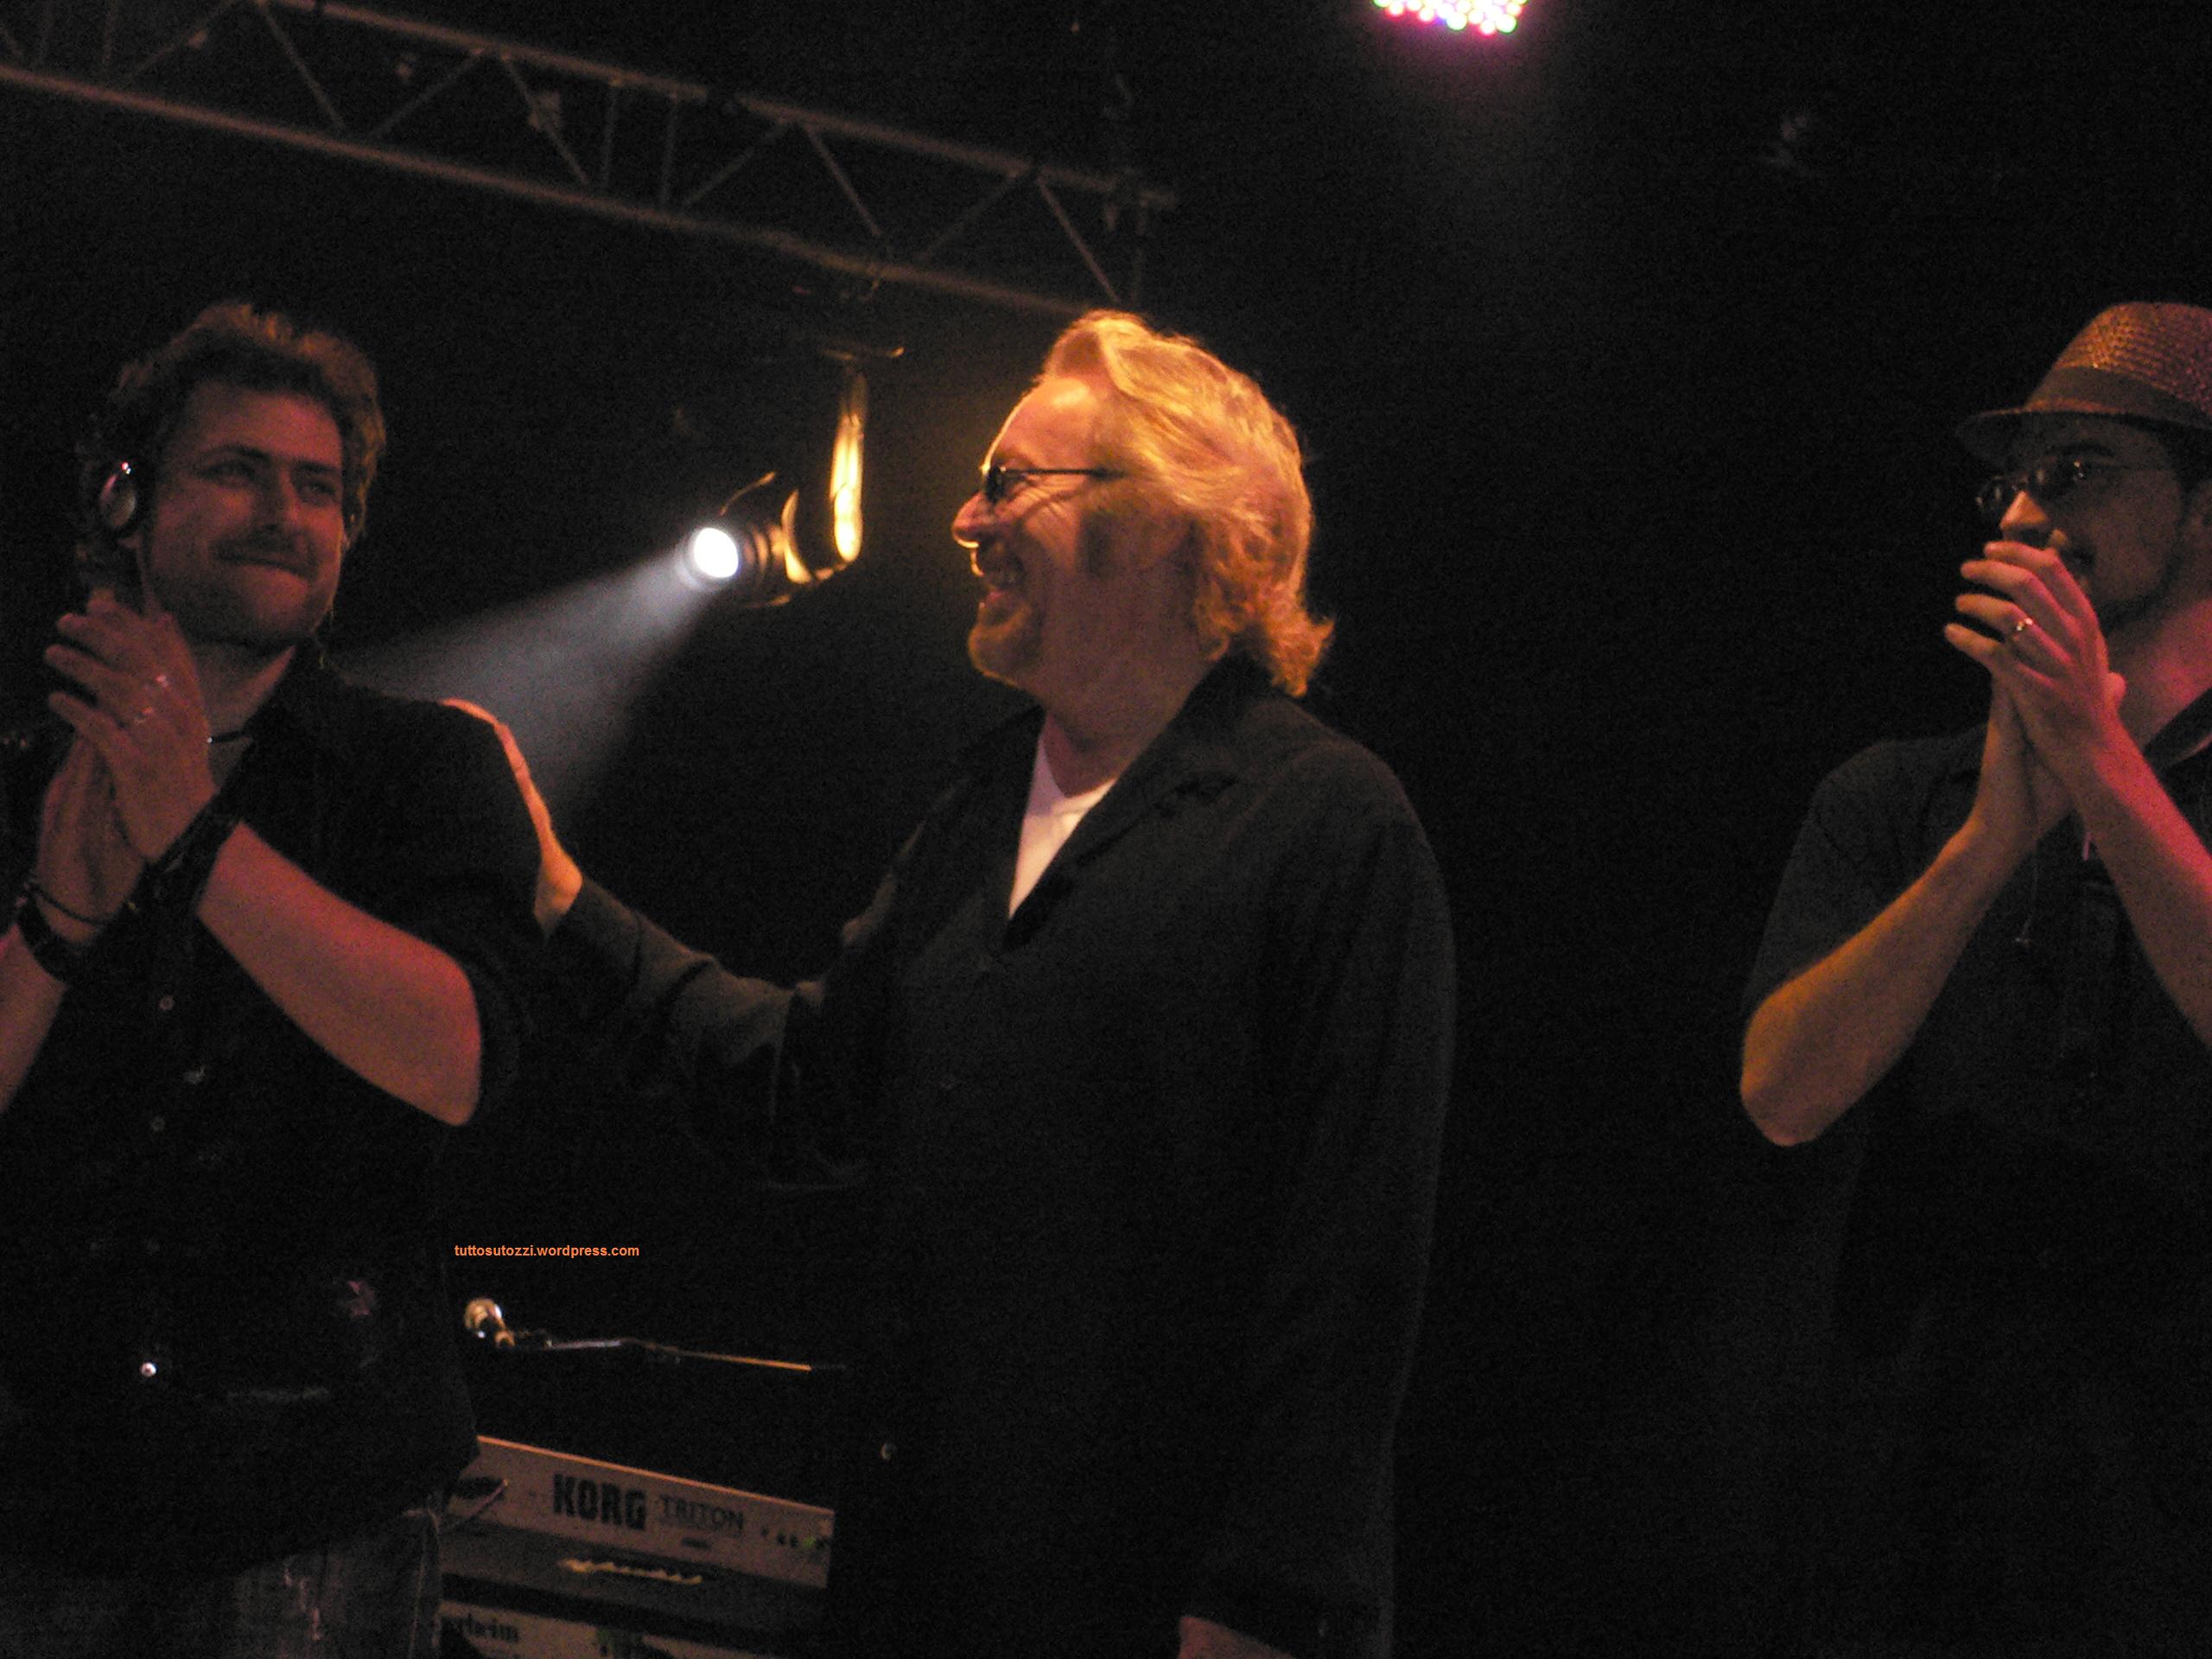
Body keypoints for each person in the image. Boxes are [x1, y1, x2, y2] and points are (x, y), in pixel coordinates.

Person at [508, 310, 1455, 1658]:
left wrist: (1262, 1607)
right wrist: (555, 900)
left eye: (1011, 482)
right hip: (926, 1590)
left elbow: (1349, 1269)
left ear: (1164, 519)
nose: (967, 519)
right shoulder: (981, 808)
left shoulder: (1325, 825)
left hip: (1154, 1611)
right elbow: (798, 1093)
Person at [0, 303, 540, 1652]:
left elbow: (457, 1057)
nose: (285, 515)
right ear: (126, 501)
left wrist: (194, 834)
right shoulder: (24, 781)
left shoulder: (427, 769)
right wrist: (56, 927)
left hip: (315, 1509)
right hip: (38, 1491)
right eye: (238, 472)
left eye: (318, 487)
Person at [1741, 302, 2212, 1653]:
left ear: (2205, 507)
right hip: (1919, 1537)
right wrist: (1988, 846)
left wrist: (2098, 764)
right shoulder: (1898, 797)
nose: (2022, 516)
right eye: (2013, 479)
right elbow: (1781, 1094)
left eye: (2079, 471)